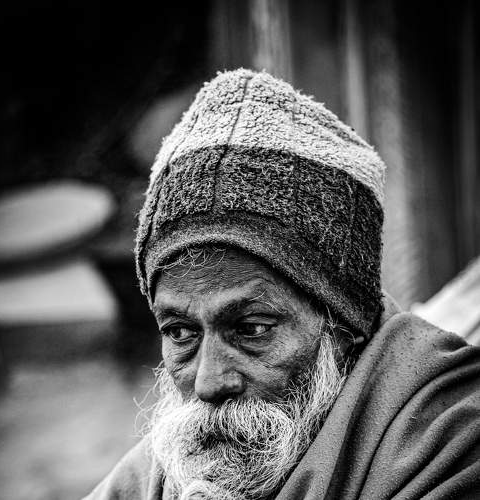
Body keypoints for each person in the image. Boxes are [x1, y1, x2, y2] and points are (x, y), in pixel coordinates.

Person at [84, 69, 480, 500]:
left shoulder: (449, 436)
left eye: (251, 329)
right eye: (180, 332)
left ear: (345, 326)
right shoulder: (176, 458)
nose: (207, 383)